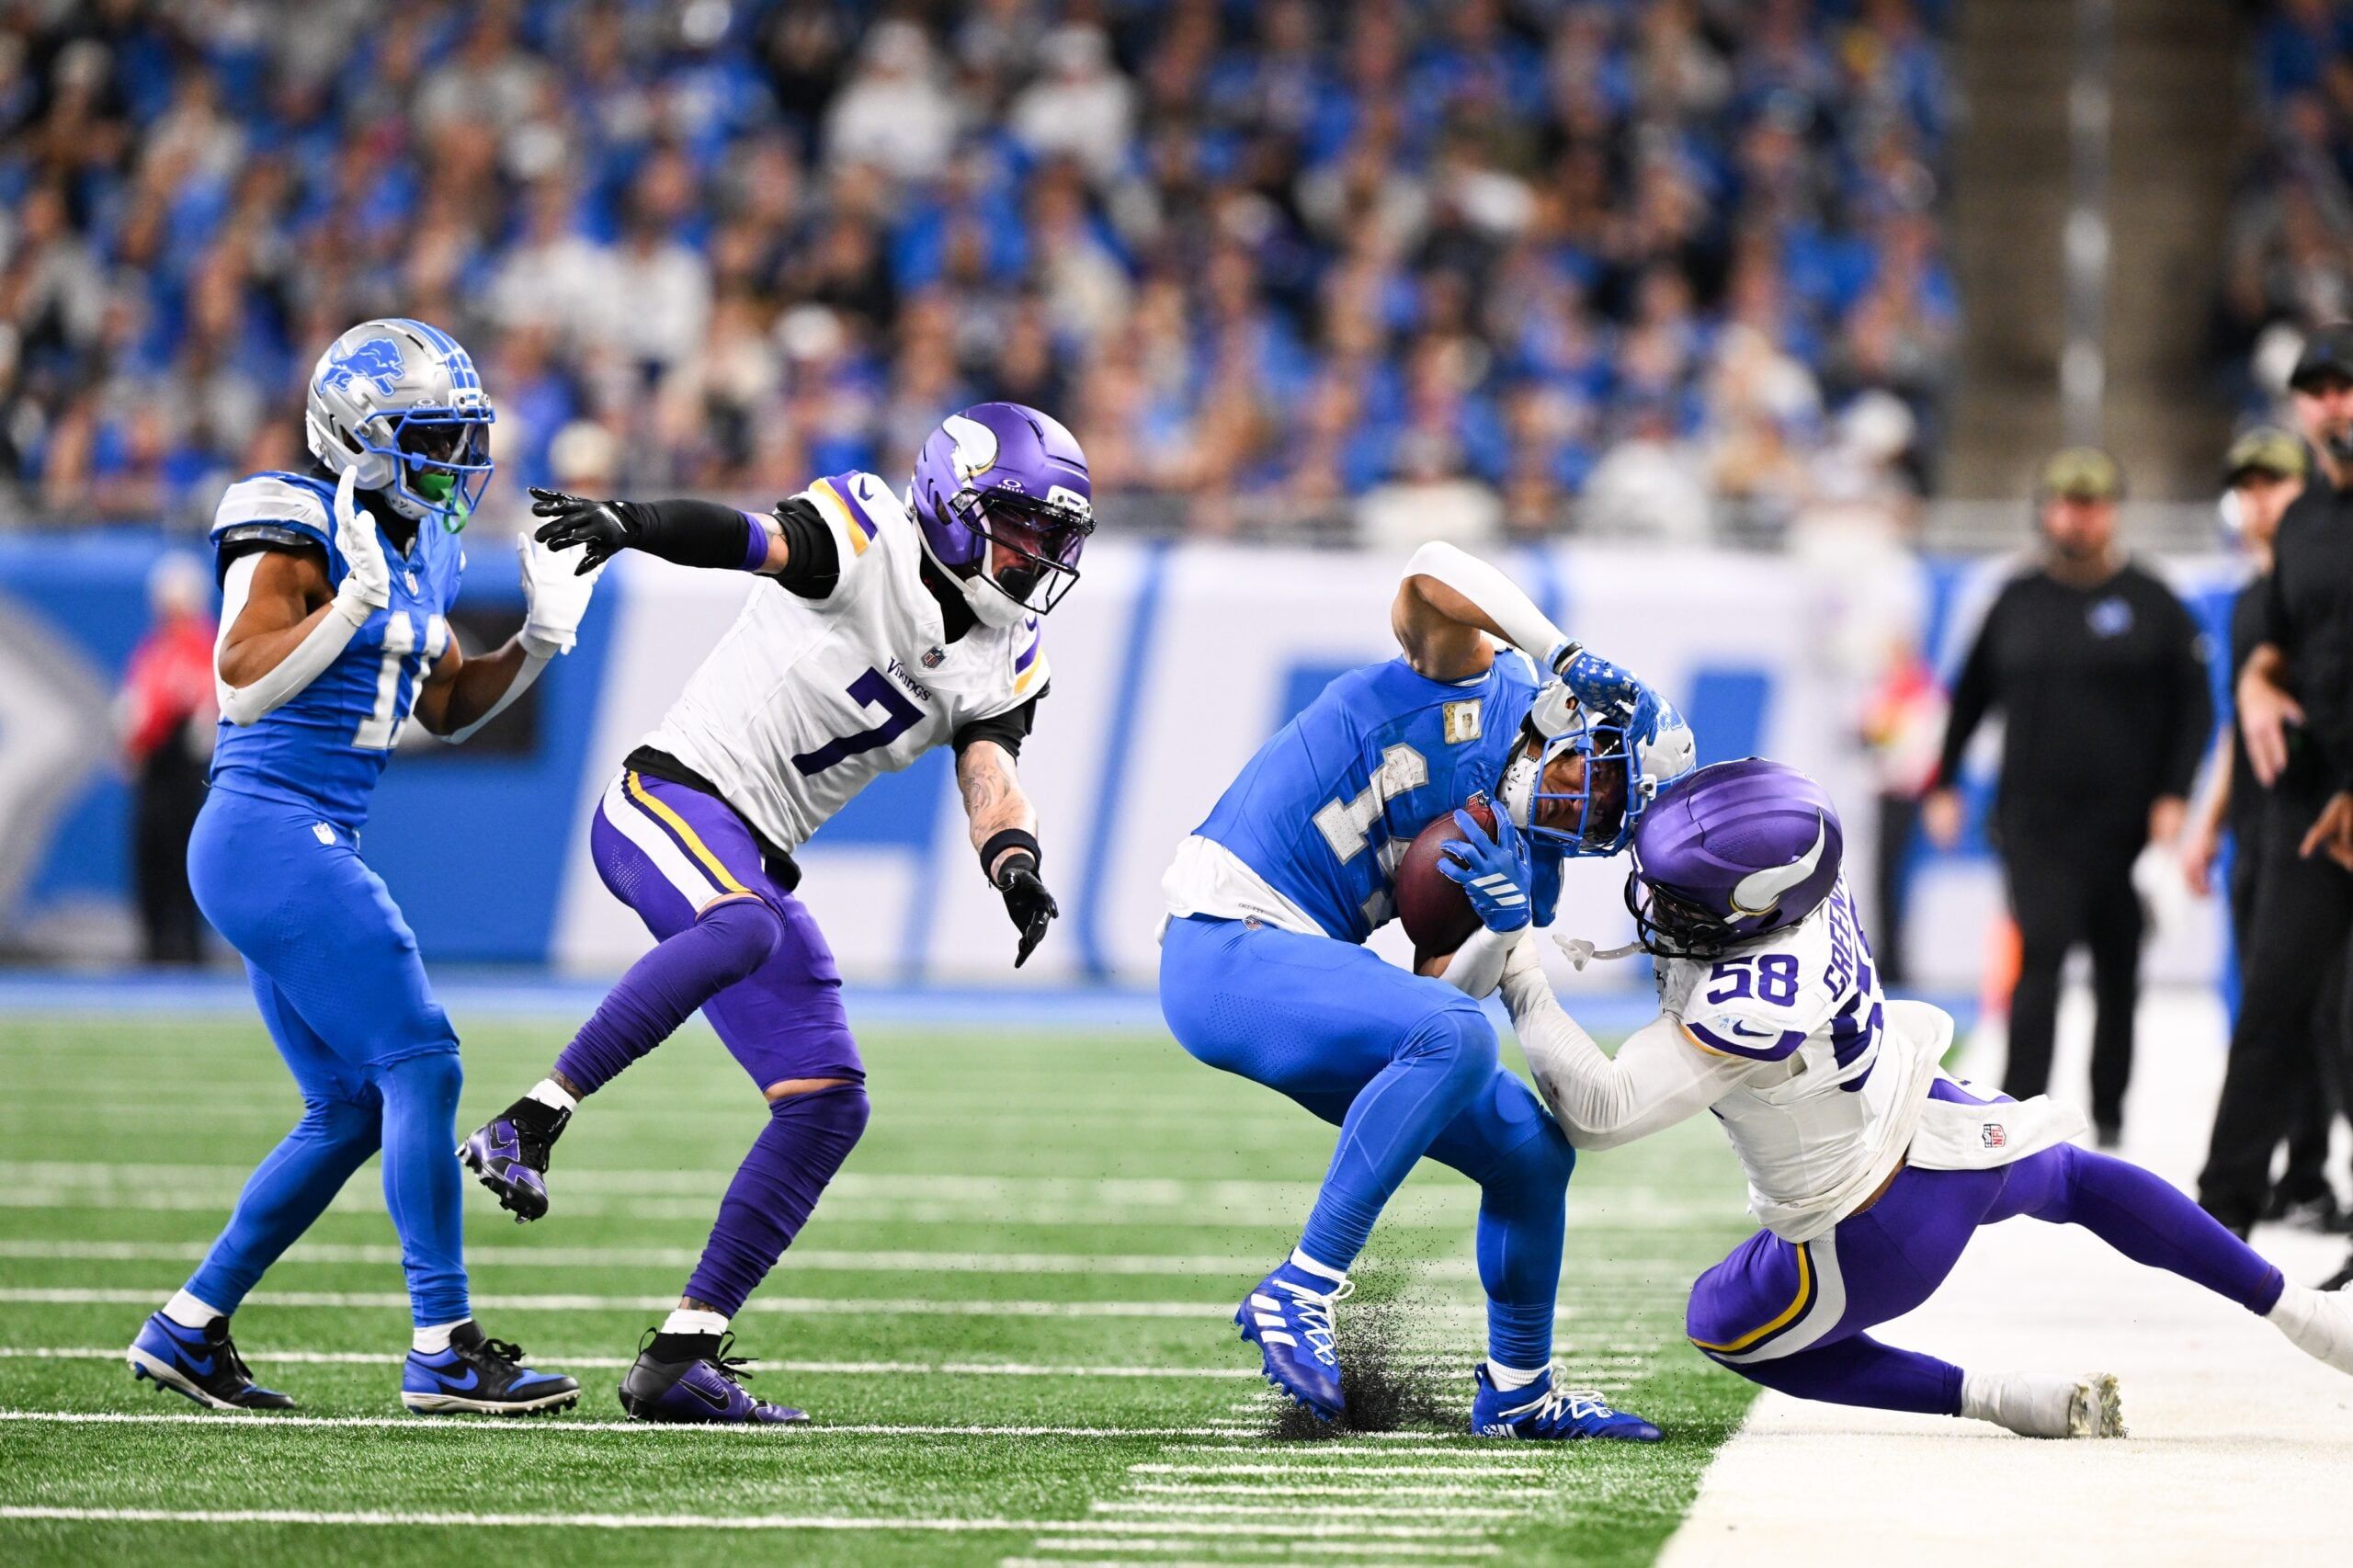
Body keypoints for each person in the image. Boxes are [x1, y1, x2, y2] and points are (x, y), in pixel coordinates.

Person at [460, 403, 1087, 1424]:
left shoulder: (1007, 649)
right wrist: (630, 522)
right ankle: (528, 1120)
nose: (1033, 554)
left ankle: (684, 1353)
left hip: (751, 865)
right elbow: (747, 538)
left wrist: (1013, 863)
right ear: (949, 500)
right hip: (667, 797)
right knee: (745, 925)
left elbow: (991, 772)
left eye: (1051, 536)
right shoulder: (869, 536)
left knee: (827, 1099)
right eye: (1017, 524)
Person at [1495, 758, 2353, 1437]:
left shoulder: (1754, 993)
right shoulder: (1800, 872)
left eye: (1684, 899)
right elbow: (1703, 806)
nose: (1657, 905)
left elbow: (1599, 1113)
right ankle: (2304, 1312)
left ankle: (1988, 1396)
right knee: (2075, 1180)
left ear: (1754, 911)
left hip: (1873, 1225)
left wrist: (1520, 967)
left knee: (1717, 1323)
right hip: (1941, 1121)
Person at [127, 319, 598, 1414]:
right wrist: (346, 604)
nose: (454, 460)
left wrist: (538, 640)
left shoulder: (424, 545)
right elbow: (239, 683)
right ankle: (444, 1343)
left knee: (348, 1107)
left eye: (459, 436)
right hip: (268, 826)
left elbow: (450, 704)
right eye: (429, 437)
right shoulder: (296, 519)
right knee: (423, 1063)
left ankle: (189, 1324)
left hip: (297, 840)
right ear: (354, 434)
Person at [1157, 541, 1695, 1438]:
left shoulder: (1532, 859)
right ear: (1569, 715)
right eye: (1594, 776)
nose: (1583, 808)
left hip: (1299, 969)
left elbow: (1441, 988)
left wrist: (1502, 927)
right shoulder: (1481, 679)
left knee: (1530, 1153)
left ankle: (1518, 1390)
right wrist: (1559, 648)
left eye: (1607, 813)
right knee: (1454, 1037)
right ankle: (1303, 1286)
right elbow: (1429, 568)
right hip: (1226, 940)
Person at [1923, 448, 2212, 1146]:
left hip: (2125, 828)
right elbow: (1970, 697)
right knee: (2040, 958)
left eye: (2091, 505)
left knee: (2118, 972)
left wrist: (2174, 795)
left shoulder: (2153, 602)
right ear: (2047, 510)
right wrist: (1945, 781)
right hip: (2035, 824)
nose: (2077, 518)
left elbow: (2195, 708)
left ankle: (2109, 1115)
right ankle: (2020, 1113)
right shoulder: (2016, 600)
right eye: (2066, 504)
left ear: (2111, 513)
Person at [2207, 324, 2353, 1257]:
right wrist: (2259, 679)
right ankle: (2218, 1214)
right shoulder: (2303, 521)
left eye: (2347, 386)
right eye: (2317, 389)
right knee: (2271, 1003)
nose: (2333, 403)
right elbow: (2280, 637)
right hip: (2311, 804)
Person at [2181, 428, 2343, 1232]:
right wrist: (2209, 822)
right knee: (2276, 1006)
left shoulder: (2324, 577)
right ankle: (2254, 1191)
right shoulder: (2256, 597)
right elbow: (2237, 724)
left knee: (2330, 1017)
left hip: (2324, 817)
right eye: (2246, 487)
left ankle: (2305, 1176)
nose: (2257, 501)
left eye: (2271, 484)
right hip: (2272, 823)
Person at [117, 553, 217, 965]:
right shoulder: (154, 650)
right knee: (151, 863)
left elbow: (204, 714)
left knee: (185, 863)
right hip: (154, 771)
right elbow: (136, 710)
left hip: (187, 774)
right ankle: (154, 948)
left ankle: (188, 950)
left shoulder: (206, 648)